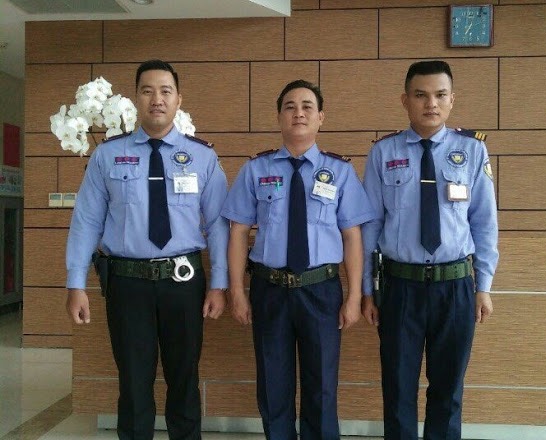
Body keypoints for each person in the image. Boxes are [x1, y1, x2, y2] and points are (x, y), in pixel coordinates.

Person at [65, 59, 229, 440]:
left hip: (183, 282)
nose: (157, 99)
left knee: (184, 379)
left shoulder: (202, 157)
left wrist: (220, 283)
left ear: (178, 100)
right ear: (136, 99)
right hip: (127, 284)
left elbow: (218, 224)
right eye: (147, 91)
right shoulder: (108, 155)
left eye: (165, 91)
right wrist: (76, 283)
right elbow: (86, 221)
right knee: (134, 384)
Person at [221, 79, 375, 440]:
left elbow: (352, 236)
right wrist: (237, 292)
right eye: (290, 106)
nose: (299, 113)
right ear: (279, 117)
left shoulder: (340, 172)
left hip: (321, 290)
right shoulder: (256, 170)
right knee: (273, 384)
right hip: (269, 289)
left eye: (307, 106)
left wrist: (354, 296)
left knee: (321, 385)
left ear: (321, 117)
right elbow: (238, 232)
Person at [361, 60, 498, 440]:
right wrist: (367, 291)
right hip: (399, 287)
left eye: (440, 95)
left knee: (448, 390)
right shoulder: (383, 152)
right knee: (398, 388)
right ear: (405, 100)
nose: (430, 104)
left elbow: (484, 223)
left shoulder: (472, 150)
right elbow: (370, 226)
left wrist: (483, 286)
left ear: (452, 99)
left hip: (455, 286)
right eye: (420, 95)